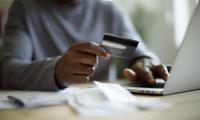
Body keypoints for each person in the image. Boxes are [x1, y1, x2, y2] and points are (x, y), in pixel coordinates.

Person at [0, 0, 170, 91]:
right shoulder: (24, 7)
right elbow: (8, 70)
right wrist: (56, 70)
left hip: (105, 111)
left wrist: (146, 61)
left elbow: (140, 52)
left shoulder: (108, 10)